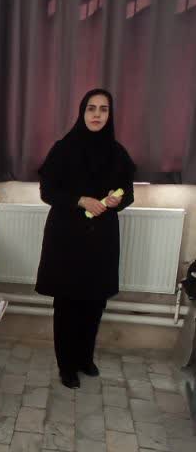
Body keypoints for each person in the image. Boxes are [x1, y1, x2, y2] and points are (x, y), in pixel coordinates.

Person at [36, 90, 135, 389]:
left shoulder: (117, 153)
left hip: (101, 239)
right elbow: (47, 191)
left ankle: (84, 358)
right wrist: (80, 200)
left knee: (94, 301)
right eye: (91, 108)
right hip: (67, 237)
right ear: (82, 112)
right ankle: (66, 365)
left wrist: (118, 200)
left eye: (103, 109)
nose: (97, 114)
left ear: (110, 115)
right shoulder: (63, 149)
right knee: (67, 303)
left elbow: (128, 193)